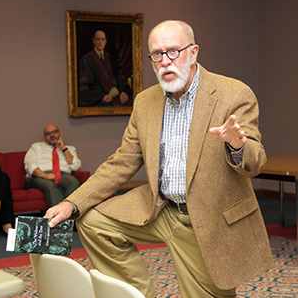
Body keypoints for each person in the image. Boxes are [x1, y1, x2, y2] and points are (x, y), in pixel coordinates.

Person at [45, 20, 273, 298]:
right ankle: (138, 295)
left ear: (193, 52)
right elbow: (122, 162)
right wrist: (71, 202)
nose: (165, 61)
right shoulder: (145, 101)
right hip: (161, 209)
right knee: (91, 221)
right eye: (157, 54)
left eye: (173, 51)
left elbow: (256, 162)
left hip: (208, 219)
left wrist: (238, 146)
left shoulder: (233, 94)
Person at [24, 124, 82, 207]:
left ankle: (67, 213)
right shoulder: (36, 147)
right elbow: (30, 165)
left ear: (60, 134)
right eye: (48, 133)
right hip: (39, 177)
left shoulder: (70, 149)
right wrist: (45, 175)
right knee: (51, 186)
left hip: (62, 175)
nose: (52, 135)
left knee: (74, 182)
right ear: (44, 137)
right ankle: (60, 218)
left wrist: (64, 149)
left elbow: (76, 166)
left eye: (54, 132)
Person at [78, 30, 130, 107]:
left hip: (115, 97)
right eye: (98, 39)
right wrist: (102, 96)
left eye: (102, 39)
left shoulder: (110, 57)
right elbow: (88, 83)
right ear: (93, 41)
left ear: (105, 41)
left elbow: (118, 76)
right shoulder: (87, 59)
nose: (100, 42)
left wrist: (122, 91)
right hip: (99, 99)